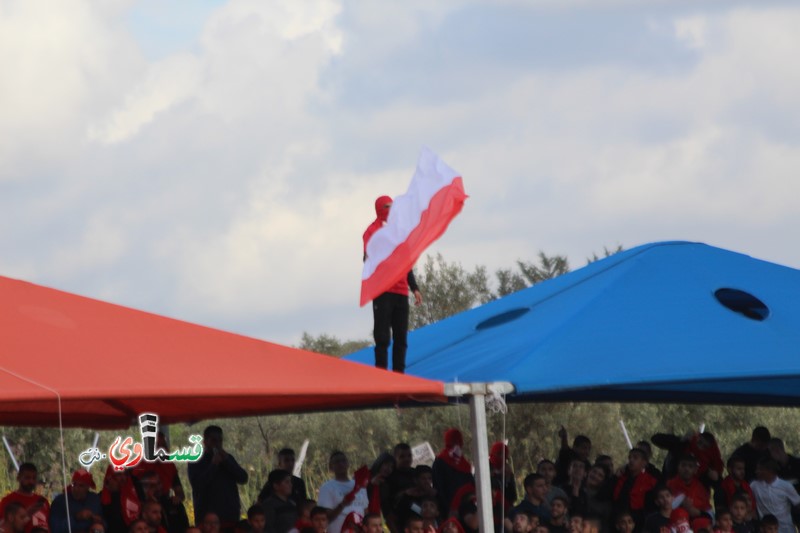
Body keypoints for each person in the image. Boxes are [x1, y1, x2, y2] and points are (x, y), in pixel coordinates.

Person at [362, 195, 423, 373]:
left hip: (401, 291)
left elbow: (406, 262)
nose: (391, 210)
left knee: (401, 338)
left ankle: (399, 377)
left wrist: (415, 288)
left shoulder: (399, 232)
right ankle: (381, 376)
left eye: (393, 207)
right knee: (382, 337)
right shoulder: (372, 231)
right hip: (382, 290)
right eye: (387, 207)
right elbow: (367, 257)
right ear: (380, 208)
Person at [188, 426, 248, 532]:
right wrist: (213, 465)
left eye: (220, 440)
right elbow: (197, 485)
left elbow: (243, 478)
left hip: (229, 516)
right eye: (214, 440)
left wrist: (227, 461)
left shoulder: (227, 458)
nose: (217, 444)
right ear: (205, 441)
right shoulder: (195, 461)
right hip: (206, 518)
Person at [317, 452, 369, 533]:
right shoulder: (326, 488)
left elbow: (366, 512)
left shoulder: (360, 486)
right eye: (337, 462)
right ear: (331, 467)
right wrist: (342, 505)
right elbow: (325, 518)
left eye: (343, 461)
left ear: (348, 464)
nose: (341, 464)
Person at [749, 458, 800, 533]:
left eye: (760, 469)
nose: (757, 472)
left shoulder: (786, 486)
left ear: (770, 471)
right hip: (766, 529)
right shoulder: (754, 486)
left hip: (785, 528)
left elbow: (797, 504)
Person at [432, 429, 473, 517]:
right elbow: (439, 489)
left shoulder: (464, 463)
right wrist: (449, 509)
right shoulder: (440, 462)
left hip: (465, 509)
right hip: (449, 511)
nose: (457, 444)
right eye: (454, 441)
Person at [666, 454, 712, 531]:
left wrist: (697, 512)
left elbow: (708, 512)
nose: (686, 469)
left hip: (697, 522)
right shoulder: (669, 484)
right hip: (675, 523)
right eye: (683, 465)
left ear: (695, 470)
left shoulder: (700, 487)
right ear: (678, 467)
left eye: (690, 466)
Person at [0, 463, 51, 533]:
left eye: (34, 478)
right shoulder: (8, 500)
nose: (31, 481)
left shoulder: (43, 501)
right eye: (27, 478)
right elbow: (3, 526)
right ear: (18, 478)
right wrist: (25, 514)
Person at [100, 466, 141, 533]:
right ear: (110, 477)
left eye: (125, 474)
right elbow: (111, 519)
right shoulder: (102, 496)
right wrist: (115, 493)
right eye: (119, 474)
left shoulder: (134, 494)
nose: (123, 478)